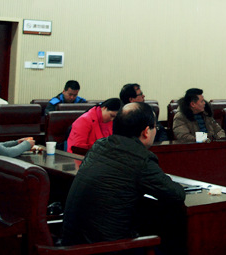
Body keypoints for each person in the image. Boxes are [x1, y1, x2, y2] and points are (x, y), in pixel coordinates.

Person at [62, 102, 186, 245]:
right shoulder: (140, 159)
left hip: (71, 243)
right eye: (155, 128)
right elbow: (176, 194)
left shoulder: (99, 146)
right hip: (106, 248)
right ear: (146, 131)